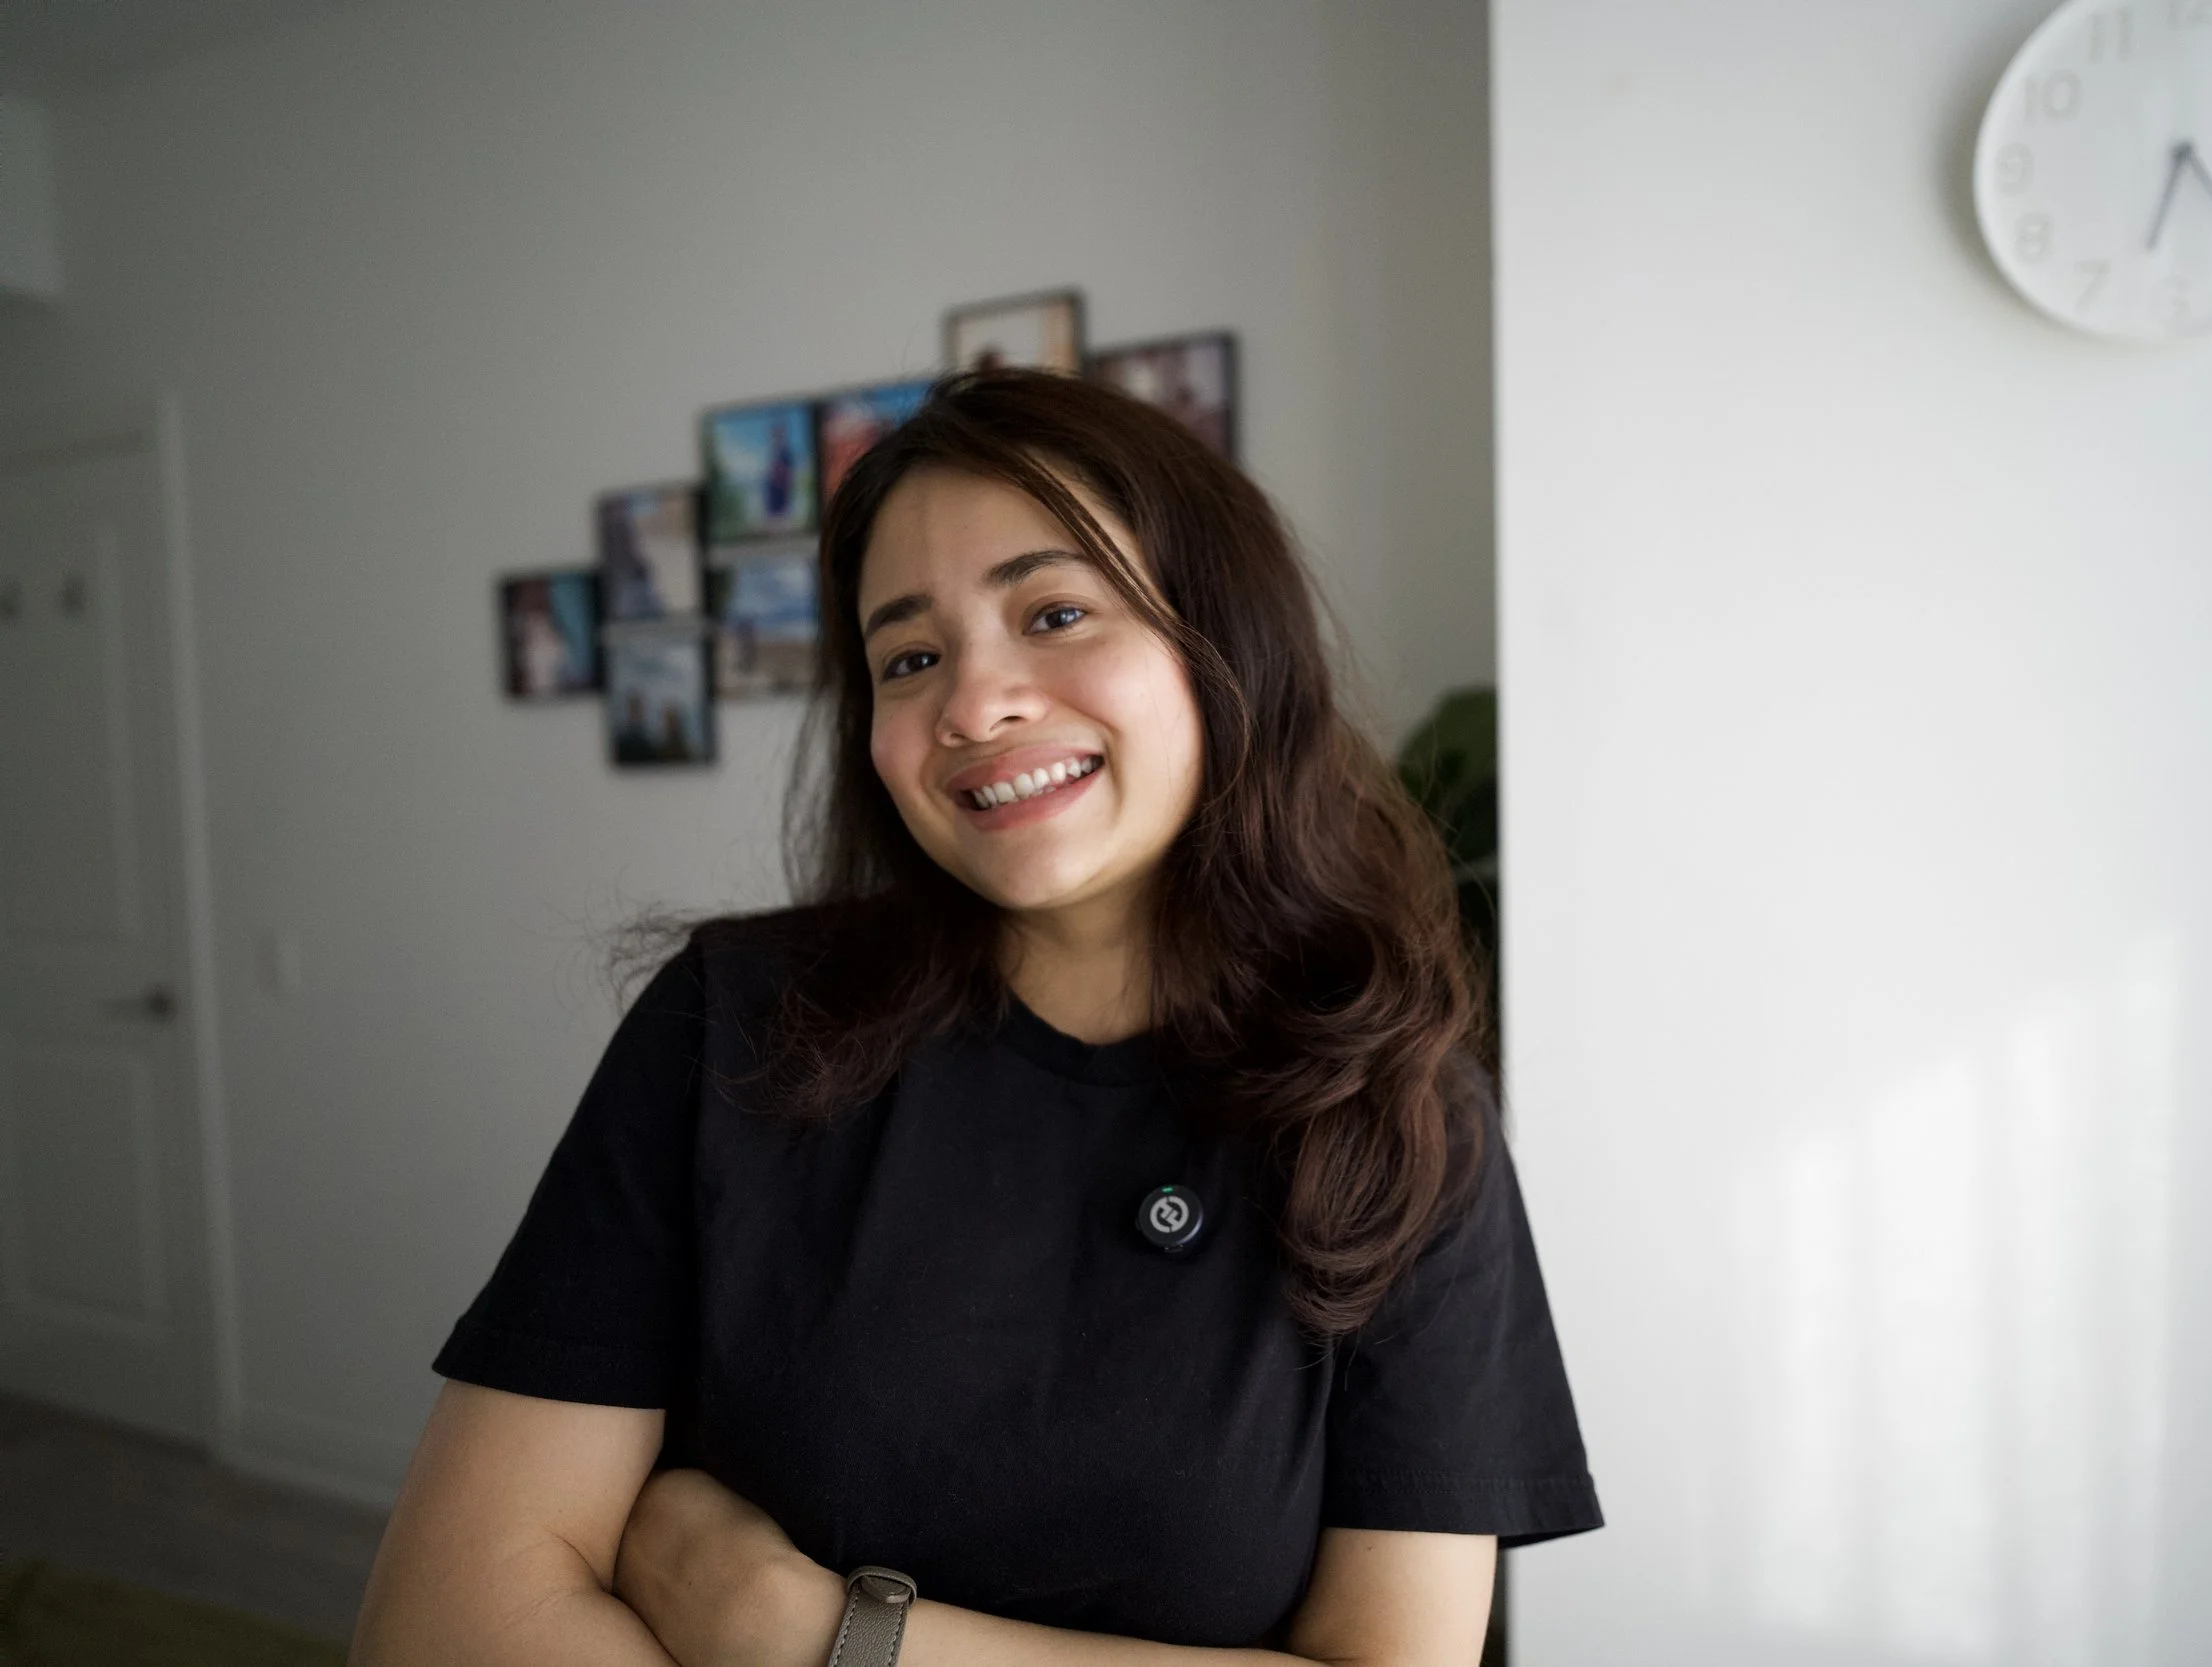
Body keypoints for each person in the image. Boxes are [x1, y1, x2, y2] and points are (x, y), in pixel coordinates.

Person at [350, 369, 1600, 1667]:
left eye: (1054, 610)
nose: (973, 703)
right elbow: (439, 1627)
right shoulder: (734, 1025)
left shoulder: (1402, 1114)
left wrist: (824, 1637)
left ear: (1223, 640)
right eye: (910, 655)